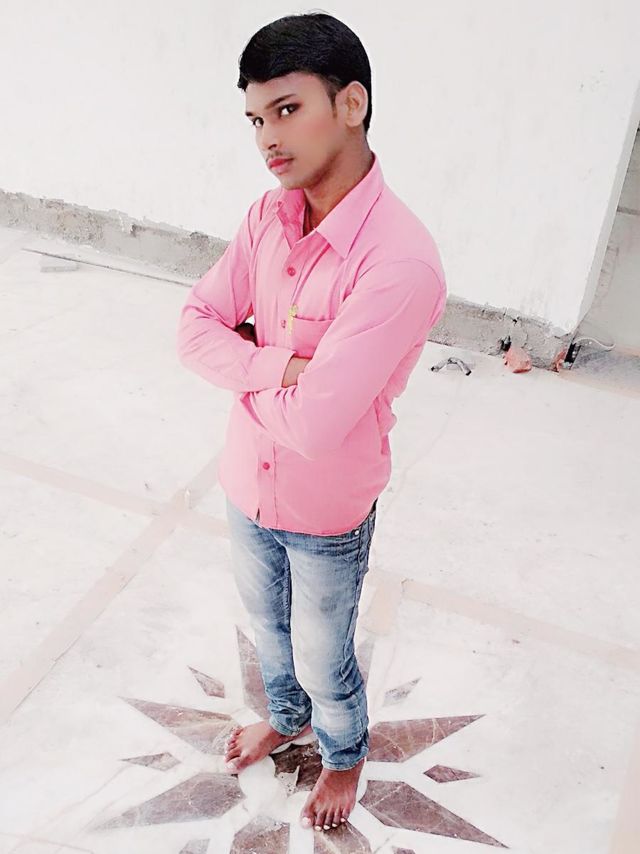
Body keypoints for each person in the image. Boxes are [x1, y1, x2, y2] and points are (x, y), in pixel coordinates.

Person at [176, 11, 447, 835]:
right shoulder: (268, 217)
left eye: (287, 109)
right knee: (268, 631)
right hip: (246, 484)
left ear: (351, 104)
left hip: (327, 508)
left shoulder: (398, 261)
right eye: (256, 118)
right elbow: (193, 327)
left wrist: (247, 364)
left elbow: (319, 427)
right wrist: (284, 368)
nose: (268, 137)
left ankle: (343, 751)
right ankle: (284, 716)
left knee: (325, 655)